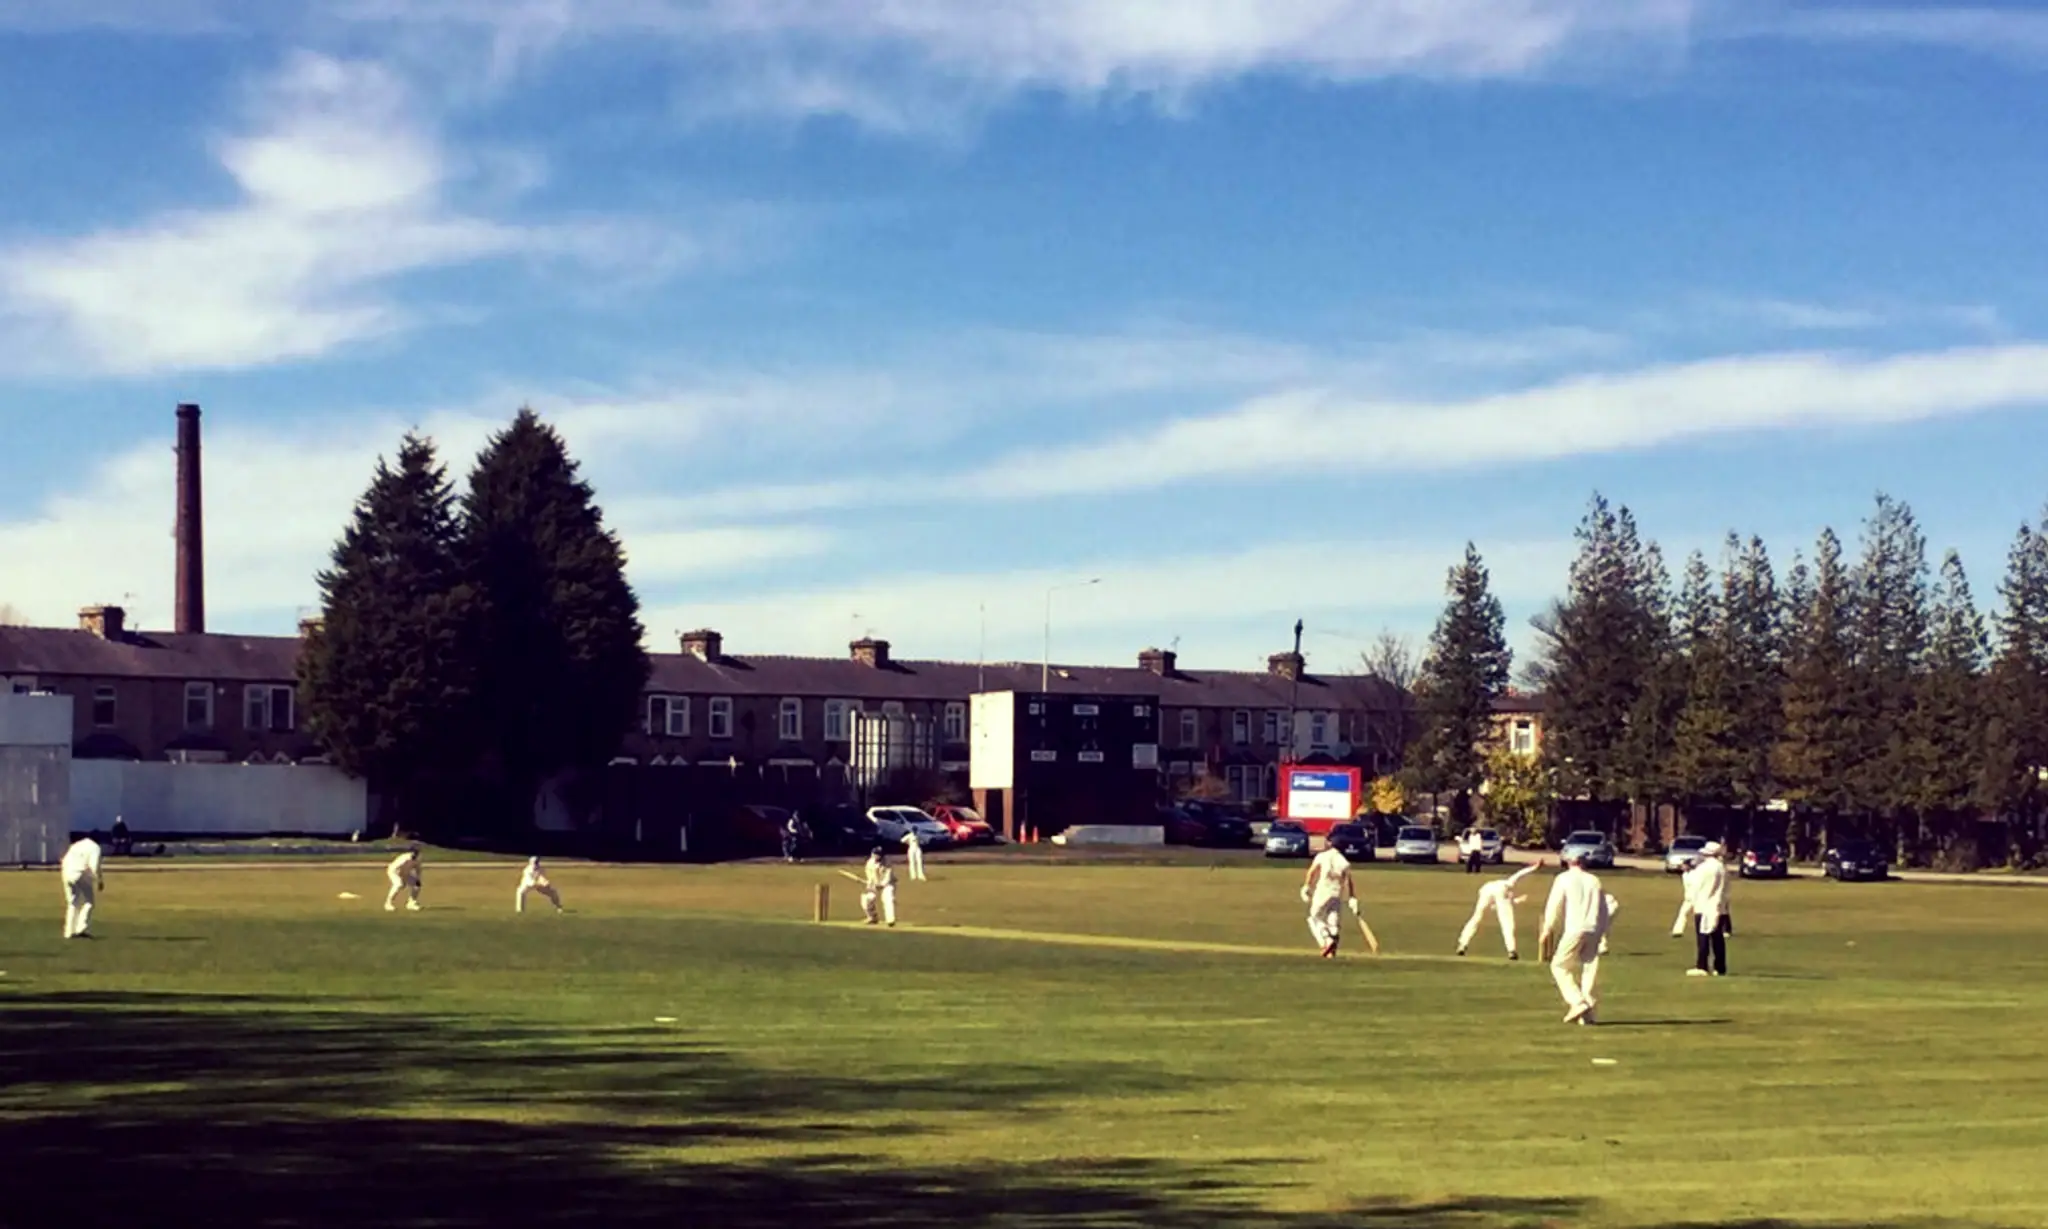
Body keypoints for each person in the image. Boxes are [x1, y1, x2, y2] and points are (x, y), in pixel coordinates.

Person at [1538, 850, 1611, 1025]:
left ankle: (1578, 1002)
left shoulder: (1563, 878)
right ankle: (1589, 1014)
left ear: (1569, 861)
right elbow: (1604, 909)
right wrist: (1602, 932)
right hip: (1593, 928)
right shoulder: (1594, 880)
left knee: (1559, 966)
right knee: (1589, 968)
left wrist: (1548, 928)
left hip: (1575, 928)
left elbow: (1554, 905)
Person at [1457, 860, 1542, 959]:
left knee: (1476, 917)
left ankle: (1462, 945)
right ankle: (1512, 950)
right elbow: (1519, 874)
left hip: (1485, 890)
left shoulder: (1494, 888)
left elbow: (1496, 906)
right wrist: (1535, 867)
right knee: (1507, 923)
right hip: (1494, 890)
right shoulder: (1507, 884)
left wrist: (1518, 900)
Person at [1300, 839, 1358, 958]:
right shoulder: (1344, 862)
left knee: (1314, 918)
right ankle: (1331, 951)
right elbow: (1348, 882)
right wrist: (1352, 898)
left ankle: (1326, 940)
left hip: (1322, 892)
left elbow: (1311, 872)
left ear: (1331, 844)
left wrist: (1306, 887)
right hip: (1336, 894)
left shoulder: (1322, 856)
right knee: (1333, 922)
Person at [1685, 841, 1733, 977]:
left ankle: (1702, 966)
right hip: (1719, 906)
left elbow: (1695, 885)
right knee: (1717, 938)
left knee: (1703, 937)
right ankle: (1720, 967)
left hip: (1704, 905)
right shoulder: (1722, 868)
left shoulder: (1704, 869)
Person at [61, 834, 105, 939]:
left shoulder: (76, 845)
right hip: (81, 873)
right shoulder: (95, 847)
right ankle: (81, 929)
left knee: (73, 903)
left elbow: (65, 860)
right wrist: (99, 880)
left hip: (67, 872)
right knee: (89, 902)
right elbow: (94, 866)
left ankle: (69, 932)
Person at [861, 848, 898, 927]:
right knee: (866, 899)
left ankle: (890, 920)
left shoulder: (887, 863)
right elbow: (869, 875)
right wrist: (870, 884)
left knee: (888, 899)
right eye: (874, 854)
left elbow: (888, 877)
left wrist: (882, 885)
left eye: (878, 855)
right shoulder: (869, 863)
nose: (876, 856)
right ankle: (872, 917)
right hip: (875, 883)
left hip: (888, 884)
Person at [385, 846, 423, 912]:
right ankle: (388, 903)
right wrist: (402, 880)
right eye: (413, 853)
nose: (415, 854)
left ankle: (411, 903)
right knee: (398, 884)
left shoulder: (417, 859)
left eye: (416, 853)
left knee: (417, 885)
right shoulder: (404, 858)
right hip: (393, 871)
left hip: (405, 873)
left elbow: (418, 870)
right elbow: (396, 868)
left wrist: (417, 879)